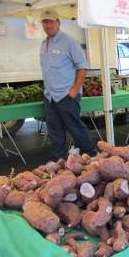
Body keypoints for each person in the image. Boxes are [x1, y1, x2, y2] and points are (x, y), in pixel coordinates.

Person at [40, 9, 96, 161]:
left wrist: (74, 91)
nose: (48, 25)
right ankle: (59, 160)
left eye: (51, 21)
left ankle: (91, 156)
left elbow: (82, 67)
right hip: (50, 96)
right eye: (45, 22)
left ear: (58, 22)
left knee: (76, 129)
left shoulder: (69, 41)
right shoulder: (44, 43)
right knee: (55, 131)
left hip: (66, 95)